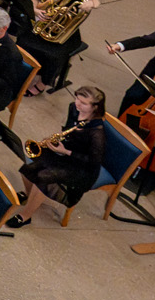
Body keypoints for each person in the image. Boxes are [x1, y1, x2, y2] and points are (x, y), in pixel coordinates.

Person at [6, 85, 109, 229]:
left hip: (82, 168)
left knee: (43, 176)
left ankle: (25, 216)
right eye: (77, 99)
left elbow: (93, 162)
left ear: (95, 107)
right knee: (28, 166)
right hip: (66, 151)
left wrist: (66, 151)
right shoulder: (74, 108)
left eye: (83, 103)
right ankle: (31, 197)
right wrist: (58, 141)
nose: (78, 104)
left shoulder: (97, 133)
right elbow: (68, 129)